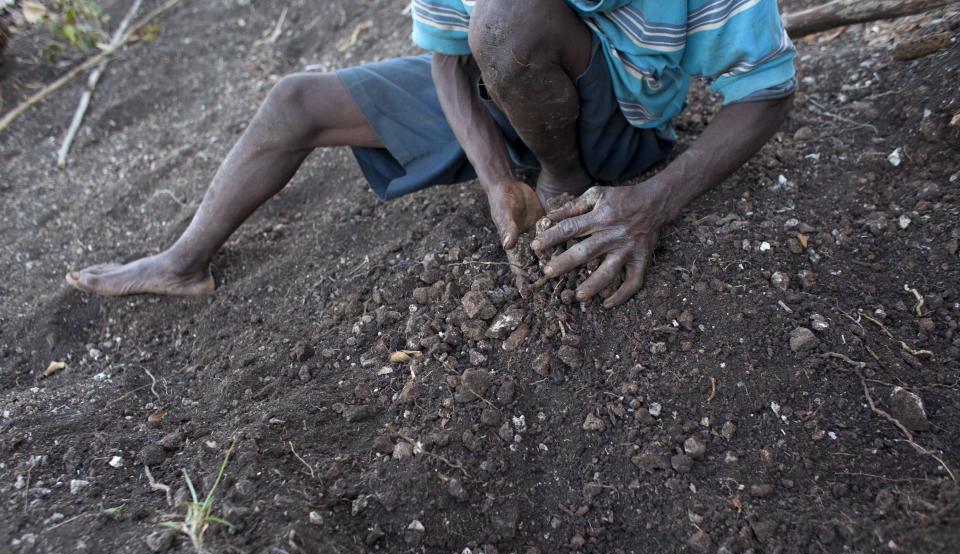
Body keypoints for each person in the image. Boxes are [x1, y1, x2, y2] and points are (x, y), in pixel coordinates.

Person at [66, 0, 796, 308]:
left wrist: (650, 202)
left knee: (510, 22)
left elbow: (766, 92)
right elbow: (450, 51)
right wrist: (494, 177)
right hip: (510, 84)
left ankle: (572, 189)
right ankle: (180, 265)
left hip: (615, 120)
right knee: (297, 101)